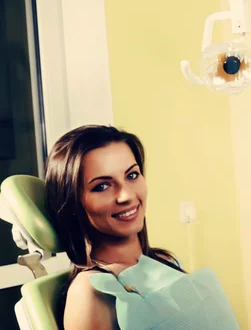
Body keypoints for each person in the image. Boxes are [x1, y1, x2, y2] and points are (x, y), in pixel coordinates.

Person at [45, 125, 239, 330]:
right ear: (73, 202)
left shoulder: (164, 261)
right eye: (102, 186)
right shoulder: (91, 290)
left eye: (132, 175)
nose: (127, 195)